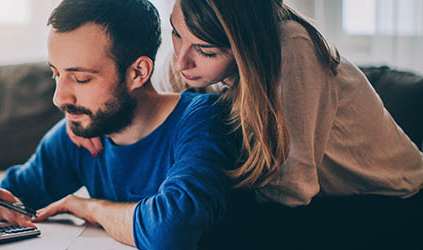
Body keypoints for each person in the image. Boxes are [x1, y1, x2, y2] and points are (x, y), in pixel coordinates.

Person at [68, 0, 423, 248]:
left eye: (205, 51)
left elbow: (291, 189)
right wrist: (88, 114)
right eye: (176, 34)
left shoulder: (292, 49)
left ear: (246, 47)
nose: (180, 62)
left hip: (388, 203)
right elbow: (145, 101)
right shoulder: (191, 47)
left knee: (210, 223)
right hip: (313, 201)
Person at [0, 0, 240, 249]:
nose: (59, 98)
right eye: (56, 73)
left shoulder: (203, 120)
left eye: (81, 78)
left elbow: (171, 232)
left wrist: (90, 208)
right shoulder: (80, 131)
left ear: (137, 72)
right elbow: (17, 197)